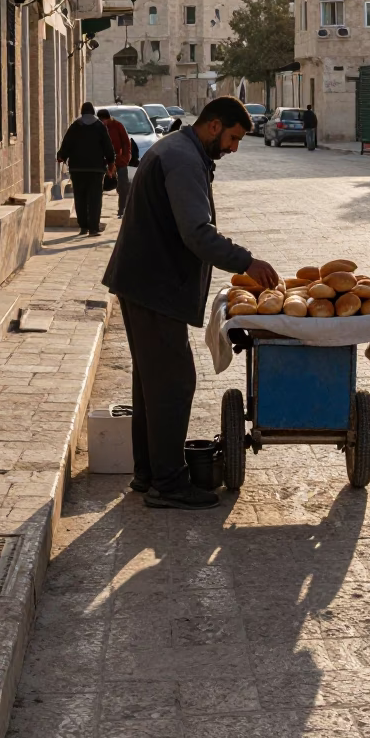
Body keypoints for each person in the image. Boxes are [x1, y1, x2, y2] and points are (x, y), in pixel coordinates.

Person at [102, 96, 279, 511]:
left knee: (152, 384)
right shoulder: (183, 159)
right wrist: (247, 261)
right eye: (234, 137)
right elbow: (197, 233)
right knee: (174, 382)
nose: (234, 148)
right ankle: (168, 483)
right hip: (153, 285)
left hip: (145, 282)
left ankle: (149, 474)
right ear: (214, 126)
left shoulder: (180, 150)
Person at [57, 102, 115, 237]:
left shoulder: (75, 126)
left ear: (82, 112)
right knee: (95, 199)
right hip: (96, 170)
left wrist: (61, 156)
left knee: (80, 198)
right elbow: (108, 146)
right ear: (93, 112)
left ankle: (83, 227)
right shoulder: (100, 126)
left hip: (77, 169)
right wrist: (111, 163)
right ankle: (93, 228)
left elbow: (66, 144)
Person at [97, 108, 132, 217]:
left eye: (104, 120)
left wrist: (125, 158)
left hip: (119, 160)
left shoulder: (118, 126)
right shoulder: (98, 128)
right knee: (99, 186)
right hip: (104, 161)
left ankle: (122, 209)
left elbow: (126, 143)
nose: (103, 122)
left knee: (123, 186)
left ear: (108, 119)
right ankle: (96, 212)